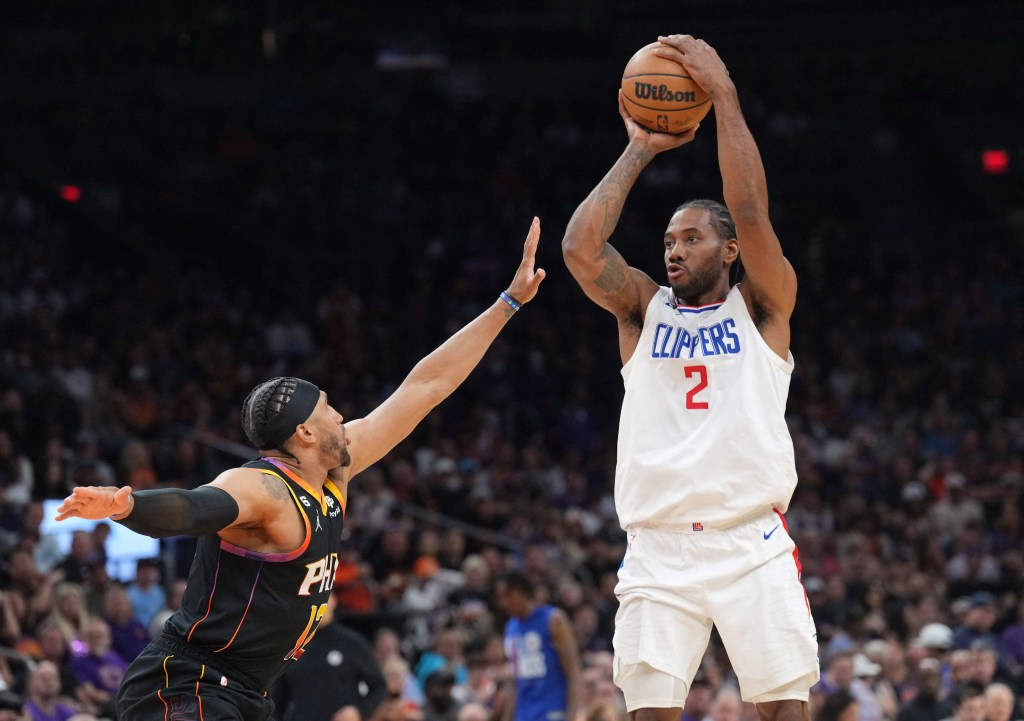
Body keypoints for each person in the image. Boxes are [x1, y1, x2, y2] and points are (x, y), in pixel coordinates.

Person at [54, 219, 546, 721]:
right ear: (304, 433)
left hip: (247, 693)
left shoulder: (335, 476)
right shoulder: (263, 488)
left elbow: (426, 386)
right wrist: (128, 505)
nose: (340, 414)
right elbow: (192, 508)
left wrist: (508, 303)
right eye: (327, 407)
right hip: (188, 684)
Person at [560, 34, 818, 721]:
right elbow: (579, 250)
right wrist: (639, 149)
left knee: (784, 711)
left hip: (750, 541)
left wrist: (725, 97)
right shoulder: (643, 308)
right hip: (658, 544)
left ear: (729, 249)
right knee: (648, 713)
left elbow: (754, 210)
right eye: (669, 240)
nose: (674, 249)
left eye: (692, 237)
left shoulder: (763, 307)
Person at [271, 594, 388, 721]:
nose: (318, 605)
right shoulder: (293, 646)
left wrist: (359, 711)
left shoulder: (351, 642)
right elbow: (278, 698)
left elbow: (379, 686)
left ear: (333, 601)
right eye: (313, 600)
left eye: (324, 599)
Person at [494, 570, 581, 721]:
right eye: (500, 598)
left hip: (553, 710)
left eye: (507, 596)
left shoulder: (553, 619)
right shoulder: (510, 627)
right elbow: (515, 680)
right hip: (524, 713)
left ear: (520, 592)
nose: (503, 604)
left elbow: (573, 672)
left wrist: (573, 715)